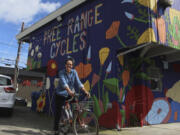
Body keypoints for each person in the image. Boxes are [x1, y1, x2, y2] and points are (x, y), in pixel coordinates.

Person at [53, 56, 90, 135]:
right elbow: (64, 84)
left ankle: (77, 122)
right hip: (60, 94)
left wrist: (85, 91)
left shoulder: (74, 72)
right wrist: (69, 91)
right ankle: (56, 129)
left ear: (72, 65)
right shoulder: (61, 72)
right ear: (65, 65)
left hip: (70, 93)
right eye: (68, 64)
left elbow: (78, 82)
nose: (69, 66)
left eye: (71, 65)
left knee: (77, 107)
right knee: (58, 112)